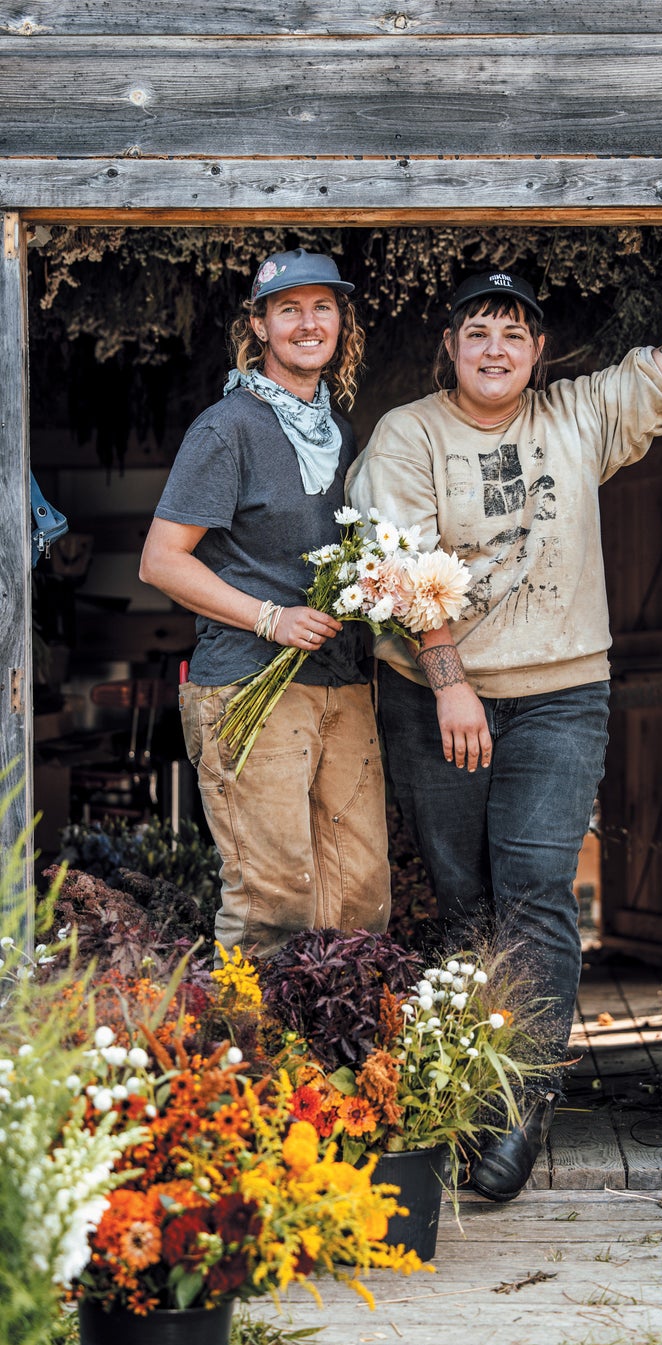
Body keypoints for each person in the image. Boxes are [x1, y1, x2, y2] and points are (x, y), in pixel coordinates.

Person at [347, 226, 662, 1201]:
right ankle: (472, 1083)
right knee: (465, 900)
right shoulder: (410, 434)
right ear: (450, 346)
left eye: (516, 331)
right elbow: (393, 560)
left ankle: (523, 1100)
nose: (499, 346)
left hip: (560, 694)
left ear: (540, 349)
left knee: (535, 889)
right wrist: (450, 675)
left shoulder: (576, 416)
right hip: (433, 699)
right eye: (480, 329)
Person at [140, 247, 391, 960]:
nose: (308, 323)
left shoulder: (338, 432)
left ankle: (332, 1062)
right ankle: (247, 1064)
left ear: (341, 320)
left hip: (340, 683)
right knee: (273, 898)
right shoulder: (229, 428)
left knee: (360, 891)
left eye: (322, 307)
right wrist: (268, 616)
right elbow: (160, 560)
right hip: (250, 679)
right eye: (288, 309)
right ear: (258, 325)